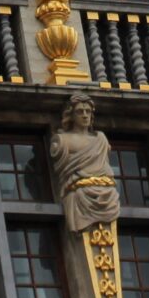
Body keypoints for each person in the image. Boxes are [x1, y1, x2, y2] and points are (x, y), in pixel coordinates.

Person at [49, 92, 118, 233]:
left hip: (107, 194)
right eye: (80, 111)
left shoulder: (101, 139)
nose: (85, 115)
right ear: (71, 115)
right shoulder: (63, 141)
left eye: (88, 111)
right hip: (79, 196)